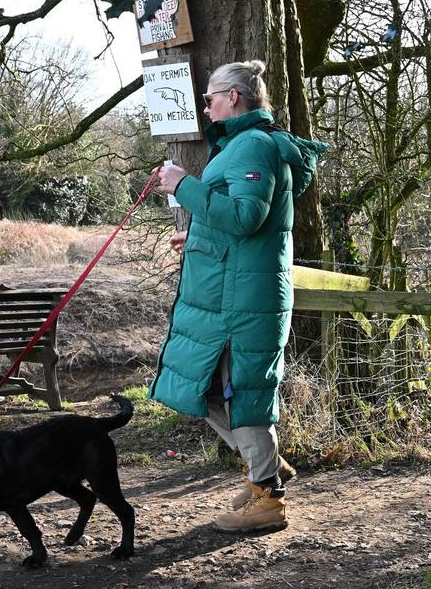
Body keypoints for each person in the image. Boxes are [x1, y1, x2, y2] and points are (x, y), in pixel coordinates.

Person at [150, 59, 327, 534]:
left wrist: (182, 186)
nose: (204, 107)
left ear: (233, 97)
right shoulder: (244, 146)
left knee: (237, 394)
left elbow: (248, 216)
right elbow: (245, 226)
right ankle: (266, 466)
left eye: (209, 98)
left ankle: (268, 497)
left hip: (241, 303)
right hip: (234, 291)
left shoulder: (251, 144)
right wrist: (200, 238)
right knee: (207, 389)